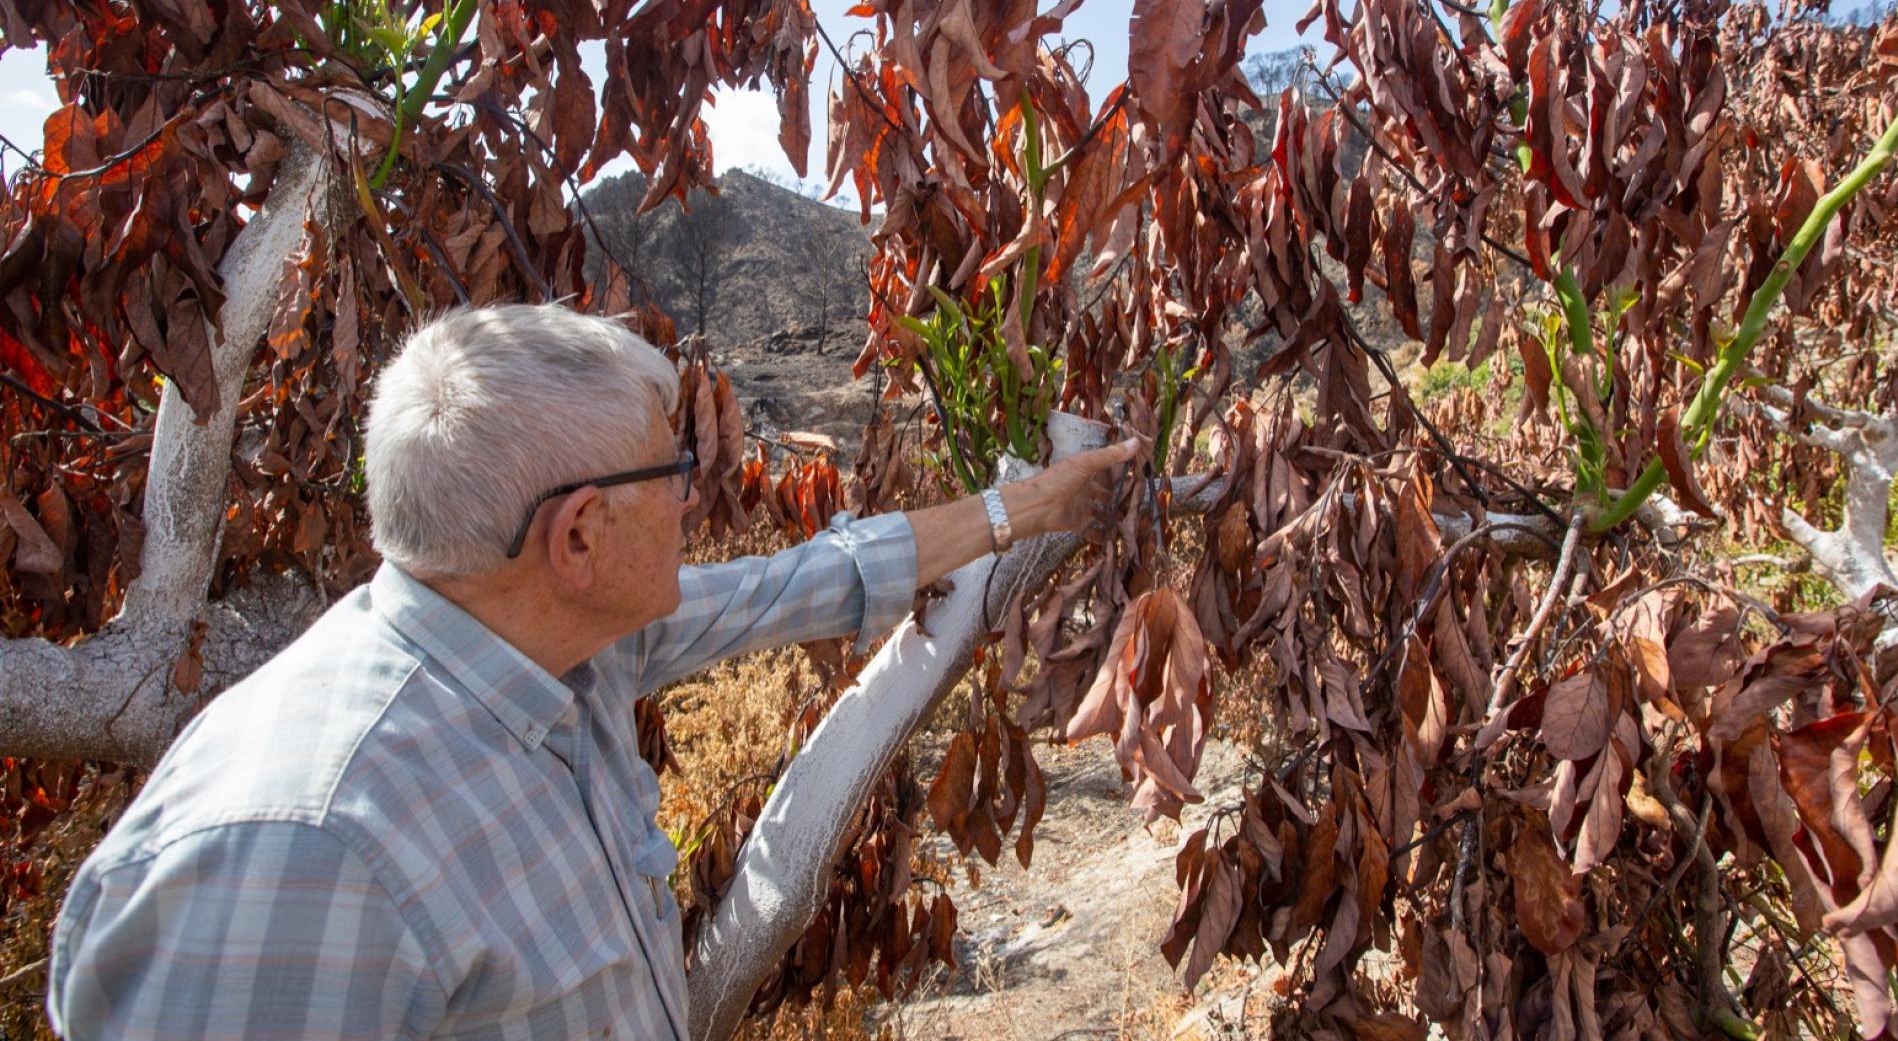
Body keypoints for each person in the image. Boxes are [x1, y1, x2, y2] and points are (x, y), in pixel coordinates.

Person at [46, 303, 1138, 1039]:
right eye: (673, 467)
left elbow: (811, 577)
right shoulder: (299, 855)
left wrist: (1034, 506)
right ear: (575, 537)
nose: (695, 492)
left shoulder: (562, 640)